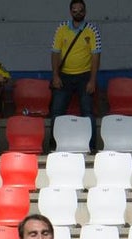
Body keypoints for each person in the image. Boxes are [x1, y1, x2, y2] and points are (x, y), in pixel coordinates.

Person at [49, 0, 101, 149]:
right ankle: (53, 147)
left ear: (85, 12)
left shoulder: (92, 30)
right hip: (64, 76)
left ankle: (91, 148)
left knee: (88, 113)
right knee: (57, 113)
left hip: (85, 76)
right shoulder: (61, 28)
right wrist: (55, 76)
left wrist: (92, 80)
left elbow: (96, 56)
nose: (78, 13)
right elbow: (55, 53)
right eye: (74, 10)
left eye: (80, 10)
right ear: (70, 12)